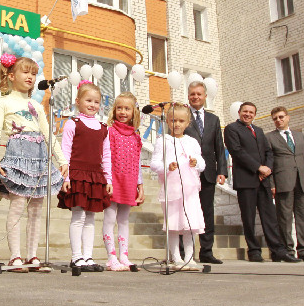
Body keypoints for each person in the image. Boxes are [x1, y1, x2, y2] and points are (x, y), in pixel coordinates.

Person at [0, 55, 68, 272]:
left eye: (33, 73)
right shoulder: (4, 102)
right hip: (18, 156)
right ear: (11, 76)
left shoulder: (36, 105)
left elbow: (48, 133)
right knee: (17, 206)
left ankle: (32, 254)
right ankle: (15, 255)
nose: (30, 77)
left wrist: (61, 159)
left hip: (39, 159)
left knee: (36, 209)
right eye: (25, 72)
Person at [223, 102, 293, 262]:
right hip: (246, 180)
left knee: (270, 217)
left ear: (255, 115)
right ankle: (254, 251)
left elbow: (269, 152)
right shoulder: (232, 129)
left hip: (263, 181)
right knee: (249, 218)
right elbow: (237, 151)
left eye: (251, 112)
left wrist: (267, 169)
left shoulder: (259, 131)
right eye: (245, 111)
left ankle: (278, 251)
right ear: (239, 112)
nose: (248, 114)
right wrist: (258, 168)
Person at [58, 82, 112, 273]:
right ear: (78, 101)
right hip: (77, 175)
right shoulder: (73, 123)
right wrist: (65, 178)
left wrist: (108, 180)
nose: (92, 105)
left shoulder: (103, 127)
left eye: (96, 102)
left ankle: (88, 256)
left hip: (95, 176)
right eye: (88, 100)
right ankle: (76, 257)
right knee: (79, 215)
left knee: (90, 216)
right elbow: (65, 151)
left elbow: (106, 155)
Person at [150, 102, 206, 271]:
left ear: (187, 123)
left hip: (190, 190)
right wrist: (167, 167)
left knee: (190, 224)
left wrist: (196, 163)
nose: (177, 124)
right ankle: (176, 257)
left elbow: (202, 163)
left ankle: (189, 257)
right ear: (167, 121)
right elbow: (154, 163)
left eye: (181, 121)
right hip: (172, 190)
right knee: (173, 224)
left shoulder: (192, 142)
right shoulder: (163, 141)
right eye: (173, 120)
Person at [184, 81, 228, 265]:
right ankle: (184, 251)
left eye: (199, 94)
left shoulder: (213, 119)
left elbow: (219, 146)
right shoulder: (182, 116)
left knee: (207, 213)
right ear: (188, 96)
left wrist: (222, 170)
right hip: (187, 172)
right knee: (186, 211)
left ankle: (206, 251)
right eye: (192, 94)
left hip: (208, 172)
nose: (195, 97)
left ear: (205, 96)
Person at [267, 106, 304, 262]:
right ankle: (288, 250)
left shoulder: (299, 136)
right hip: (283, 183)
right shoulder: (270, 137)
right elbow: (269, 162)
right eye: (275, 118)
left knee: (303, 217)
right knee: (285, 219)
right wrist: (272, 184)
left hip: (302, 182)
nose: (278, 120)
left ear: (288, 117)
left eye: (281, 117)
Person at [103, 92, 144, 271]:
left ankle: (124, 256)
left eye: (127, 108)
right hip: (113, 181)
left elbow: (138, 162)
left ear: (133, 112)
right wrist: (107, 180)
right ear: (114, 110)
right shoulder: (109, 132)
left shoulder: (136, 136)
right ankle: (111, 257)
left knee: (124, 220)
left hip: (129, 182)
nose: (122, 112)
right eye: (119, 108)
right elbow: (105, 157)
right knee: (110, 218)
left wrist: (140, 185)